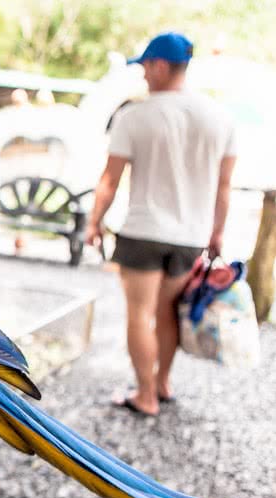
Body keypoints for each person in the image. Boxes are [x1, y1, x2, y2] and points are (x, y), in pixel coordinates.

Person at [85, 32, 237, 416]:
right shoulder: (219, 117)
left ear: (160, 65)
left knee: (139, 314)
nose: (143, 76)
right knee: (168, 311)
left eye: (145, 66)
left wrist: (94, 222)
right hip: (191, 236)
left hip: (143, 231)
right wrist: (218, 233)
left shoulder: (135, 115)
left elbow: (109, 180)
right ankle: (163, 383)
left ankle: (145, 395)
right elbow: (223, 187)